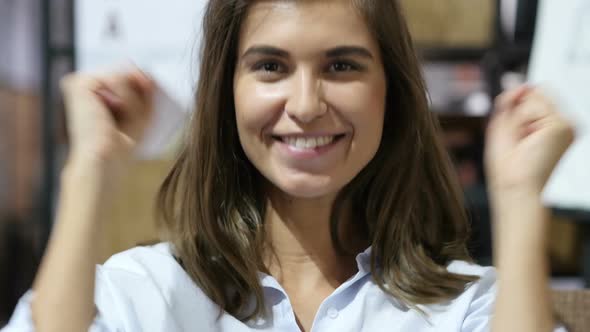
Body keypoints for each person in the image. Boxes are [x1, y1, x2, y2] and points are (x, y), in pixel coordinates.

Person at [2, 1, 574, 331]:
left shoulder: (467, 307)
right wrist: (91, 169)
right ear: (226, 94)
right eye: (271, 66)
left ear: (392, 93)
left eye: (342, 67)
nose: (305, 105)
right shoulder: (147, 293)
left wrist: (522, 198)